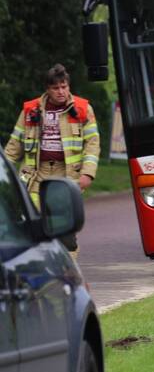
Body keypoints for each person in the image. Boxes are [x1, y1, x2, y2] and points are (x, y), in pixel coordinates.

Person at [4, 64, 99, 256]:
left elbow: (92, 144)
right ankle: (37, 264)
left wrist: (88, 173)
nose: (61, 92)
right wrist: (3, 172)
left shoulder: (82, 109)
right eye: (55, 88)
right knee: (31, 225)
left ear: (69, 86)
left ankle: (67, 268)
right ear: (47, 89)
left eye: (64, 87)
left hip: (66, 176)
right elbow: (14, 145)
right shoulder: (30, 110)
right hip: (35, 175)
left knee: (64, 231)